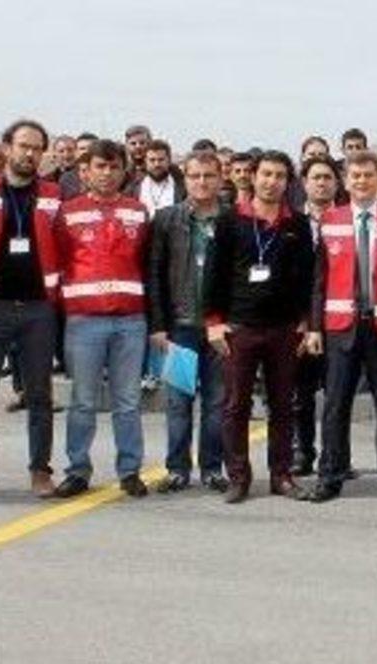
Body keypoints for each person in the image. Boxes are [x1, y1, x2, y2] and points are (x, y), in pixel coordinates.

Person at [303, 150, 377, 507]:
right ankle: (330, 476)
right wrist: (314, 327)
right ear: (346, 179)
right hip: (341, 329)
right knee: (335, 405)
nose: (362, 181)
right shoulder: (331, 221)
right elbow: (319, 282)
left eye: (368, 175)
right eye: (355, 175)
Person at [0, 119, 62, 500]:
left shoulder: (54, 194)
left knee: (40, 396)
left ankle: (40, 471)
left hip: (39, 308)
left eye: (36, 148)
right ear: (7, 147)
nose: (29, 154)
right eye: (23, 146)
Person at [204, 150, 315, 504]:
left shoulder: (298, 224)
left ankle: (282, 476)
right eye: (266, 174)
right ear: (253, 177)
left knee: (283, 405)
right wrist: (213, 323)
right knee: (235, 406)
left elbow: (307, 277)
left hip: (285, 329)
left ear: (288, 183)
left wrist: (306, 321)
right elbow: (214, 274)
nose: (272, 181)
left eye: (280, 176)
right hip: (239, 327)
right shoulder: (229, 221)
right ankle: (238, 477)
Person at [51, 140, 151, 499]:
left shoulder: (138, 212)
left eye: (113, 167)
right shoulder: (68, 212)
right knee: (83, 401)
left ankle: (130, 471)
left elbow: (146, 261)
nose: (107, 173)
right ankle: (78, 470)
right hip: (84, 320)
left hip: (130, 320)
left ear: (124, 172)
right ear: (85, 171)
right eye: (100, 166)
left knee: (128, 402)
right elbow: (59, 259)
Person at [147, 151, 229, 493]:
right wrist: (158, 325)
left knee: (216, 403)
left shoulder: (233, 219)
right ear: (185, 177)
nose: (202, 182)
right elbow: (154, 275)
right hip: (180, 327)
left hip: (219, 330)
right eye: (195, 176)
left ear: (220, 178)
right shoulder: (167, 219)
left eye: (209, 175)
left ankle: (212, 469)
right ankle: (177, 469)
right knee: (179, 402)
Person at [291, 156, 344, 477]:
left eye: (327, 177)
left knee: (338, 395)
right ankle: (303, 451)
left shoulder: (348, 220)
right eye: (316, 178)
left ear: (337, 183)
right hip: (300, 320)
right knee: (301, 393)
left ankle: (337, 456)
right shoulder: (292, 222)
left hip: (340, 319)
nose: (322, 183)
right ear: (304, 183)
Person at [133, 139, 186, 217]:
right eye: (152, 160)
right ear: (145, 161)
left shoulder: (183, 187)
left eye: (161, 160)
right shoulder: (133, 188)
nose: (157, 164)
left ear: (169, 161)